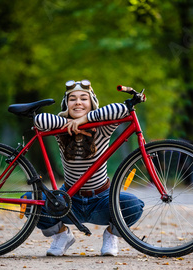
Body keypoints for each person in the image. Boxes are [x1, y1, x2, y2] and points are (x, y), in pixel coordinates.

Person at [31, 80, 144, 256]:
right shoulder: (60, 129)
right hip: (69, 201)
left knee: (134, 205)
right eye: (72, 99)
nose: (78, 102)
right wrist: (69, 124)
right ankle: (62, 236)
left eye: (84, 98)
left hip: (102, 200)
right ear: (66, 105)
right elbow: (39, 120)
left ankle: (111, 234)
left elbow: (122, 109)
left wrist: (84, 119)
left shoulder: (103, 128)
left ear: (92, 103)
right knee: (29, 201)